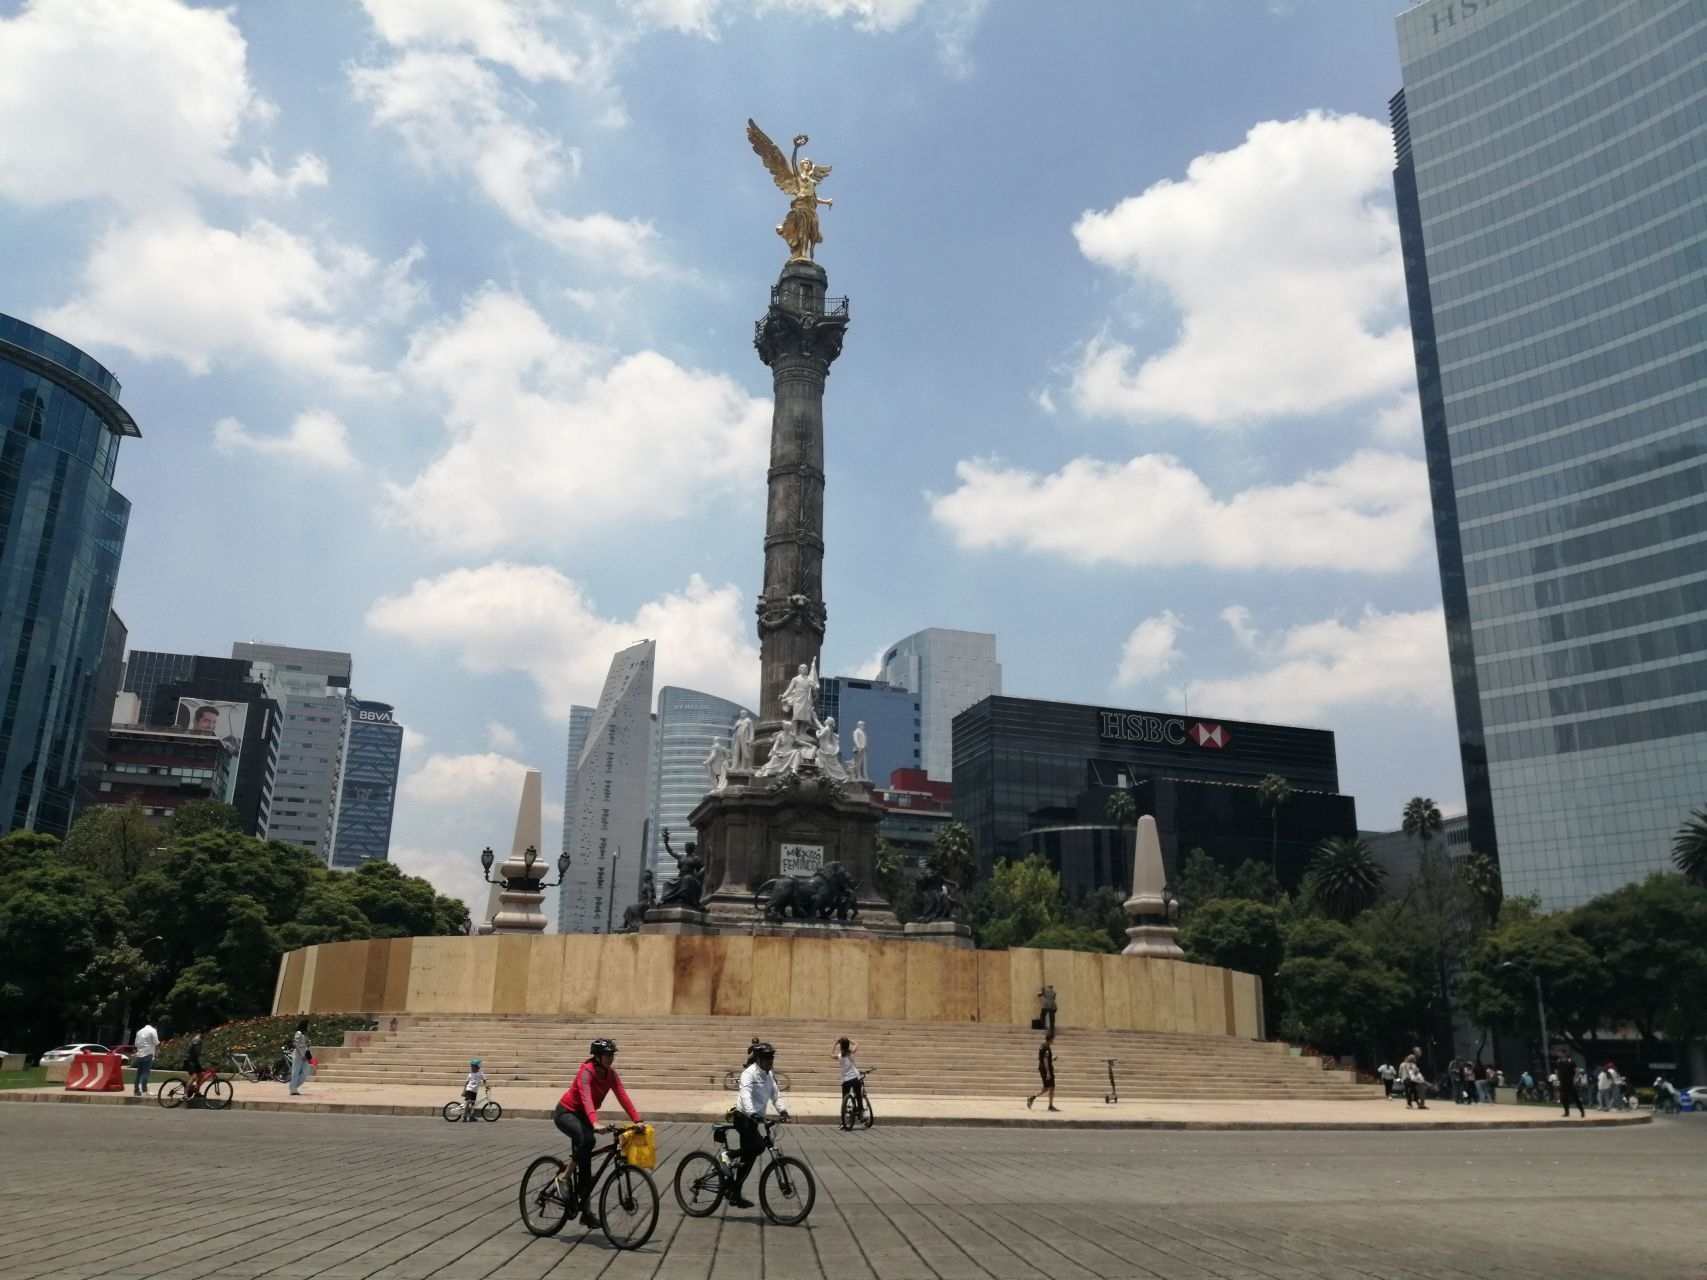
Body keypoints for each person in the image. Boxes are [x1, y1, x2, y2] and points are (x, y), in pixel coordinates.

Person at [554, 1038, 643, 1230]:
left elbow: (622, 1096)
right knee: (588, 1139)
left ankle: (585, 1214)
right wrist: (595, 1122)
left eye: (612, 1055)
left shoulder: (610, 1075)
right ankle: (563, 1177)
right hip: (567, 1113)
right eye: (607, 1055)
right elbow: (586, 1098)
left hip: (585, 1116)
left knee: (586, 1171)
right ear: (597, 1056)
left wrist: (638, 1120)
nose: (611, 1059)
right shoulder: (586, 1072)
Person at [730, 1041, 789, 1209]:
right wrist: (753, 1113)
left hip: (754, 1119)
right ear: (758, 1059)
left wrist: (783, 1111)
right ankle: (729, 1155)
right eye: (766, 1058)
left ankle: (735, 1193)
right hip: (743, 1117)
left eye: (772, 1057)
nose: (770, 1061)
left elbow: (775, 1095)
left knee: (747, 1160)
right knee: (758, 1146)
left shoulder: (769, 1075)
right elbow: (745, 1096)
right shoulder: (748, 1074)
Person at [833, 1037, 862, 1129]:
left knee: (844, 1099)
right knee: (858, 1096)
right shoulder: (851, 1052)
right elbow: (857, 1044)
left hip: (846, 1080)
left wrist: (834, 1043)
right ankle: (860, 1112)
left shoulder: (840, 1056)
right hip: (854, 1078)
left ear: (840, 1046)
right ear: (848, 1045)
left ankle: (843, 1121)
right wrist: (849, 1039)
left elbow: (830, 1055)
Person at [1026, 1030, 1058, 1111]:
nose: (1053, 1041)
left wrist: (1051, 1059)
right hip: (1046, 1069)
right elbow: (1045, 1060)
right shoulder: (1047, 1048)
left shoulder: (1042, 1046)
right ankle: (1049, 1105)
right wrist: (1048, 1072)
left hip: (1042, 1068)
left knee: (1047, 1088)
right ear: (1050, 1039)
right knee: (1051, 1087)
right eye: (1053, 1039)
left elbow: (1042, 1058)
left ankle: (1033, 1098)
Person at [132, 1016, 159, 1097]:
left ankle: (136, 1090)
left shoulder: (139, 1031)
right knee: (145, 1073)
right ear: (155, 1026)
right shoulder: (153, 1031)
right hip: (148, 1053)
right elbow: (156, 1042)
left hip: (140, 1054)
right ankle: (144, 1091)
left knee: (138, 1073)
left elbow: (136, 1044)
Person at [1556, 1051, 1585, 1118]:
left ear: (1564, 1054)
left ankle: (1582, 1111)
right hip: (1562, 1082)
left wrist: (1575, 1079)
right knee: (1564, 1098)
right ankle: (1566, 1112)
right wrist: (1558, 1078)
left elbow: (1577, 1070)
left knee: (1575, 1097)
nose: (1559, 1054)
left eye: (1560, 1053)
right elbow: (1557, 1071)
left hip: (1570, 1082)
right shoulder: (1559, 1062)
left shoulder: (1570, 1062)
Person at [181, 1032, 209, 1100]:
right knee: (194, 1077)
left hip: (194, 1061)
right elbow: (196, 1051)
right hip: (189, 1060)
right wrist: (203, 1054)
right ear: (202, 1033)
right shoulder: (197, 1040)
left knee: (201, 1075)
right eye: (205, 1034)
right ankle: (185, 1095)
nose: (206, 1035)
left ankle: (197, 1092)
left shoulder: (200, 1039)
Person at [289, 1019, 311, 1096]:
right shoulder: (299, 1033)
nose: (309, 1026)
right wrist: (301, 1054)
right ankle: (293, 1088)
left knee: (306, 1071)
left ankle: (293, 1086)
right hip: (299, 1053)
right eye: (308, 1025)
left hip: (305, 1052)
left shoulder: (305, 1034)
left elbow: (307, 1045)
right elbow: (295, 1043)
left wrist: (308, 1056)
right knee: (296, 1071)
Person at [462, 1058, 486, 1122]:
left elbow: (484, 1080)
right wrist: (464, 1090)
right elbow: (467, 1082)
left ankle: (471, 1117)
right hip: (469, 1089)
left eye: (473, 1066)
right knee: (469, 1101)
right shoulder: (470, 1074)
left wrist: (486, 1087)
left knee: (473, 1104)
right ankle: (464, 1116)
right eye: (471, 1066)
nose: (472, 1068)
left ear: (478, 1067)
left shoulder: (481, 1074)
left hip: (474, 1091)